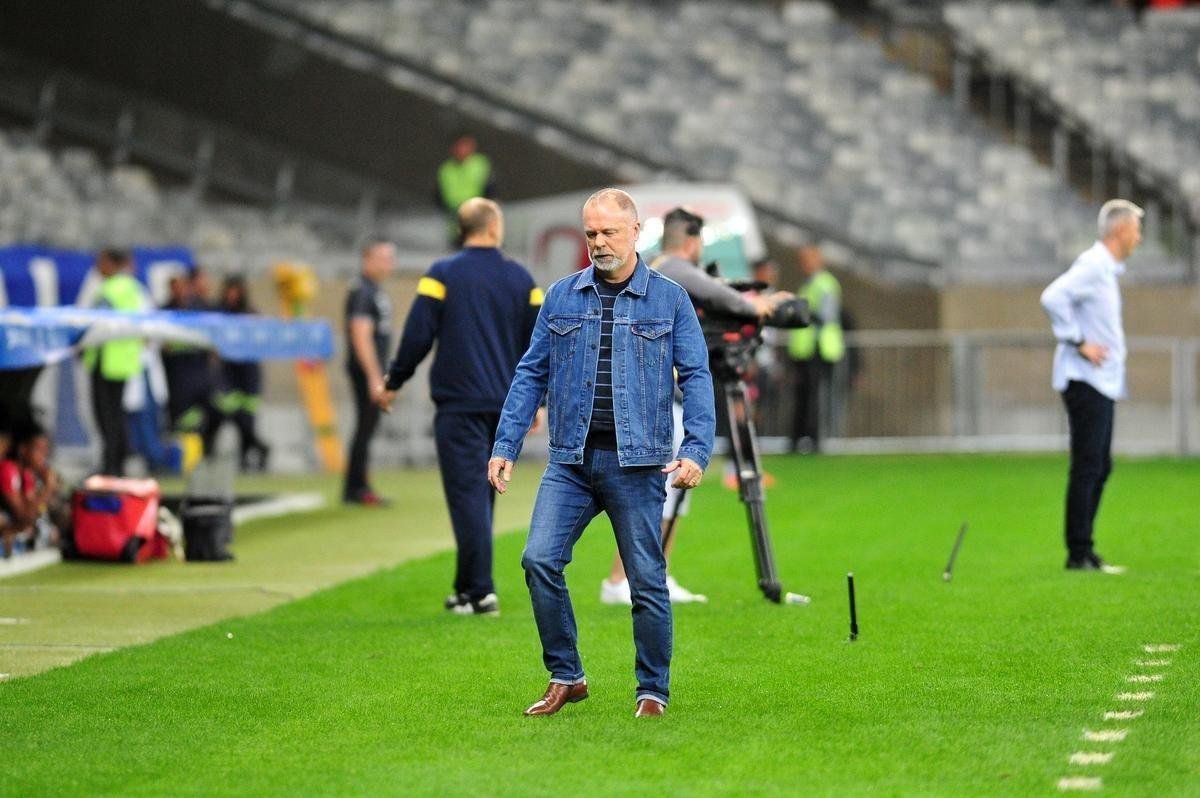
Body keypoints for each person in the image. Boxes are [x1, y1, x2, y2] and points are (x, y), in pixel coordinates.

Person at [489, 188, 715, 718]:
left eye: (609, 232)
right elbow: (531, 373)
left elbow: (697, 377)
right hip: (570, 462)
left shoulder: (670, 299)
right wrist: (505, 443)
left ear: (635, 232)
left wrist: (696, 450)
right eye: (591, 233)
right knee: (538, 560)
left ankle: (652, 691)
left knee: (646, 581)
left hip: (638, 464)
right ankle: (567, 675)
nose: (598, 242)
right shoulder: (561, 296)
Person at [600, 207, 787, 607]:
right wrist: (756, 305)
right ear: (691, 241)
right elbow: (716, 293)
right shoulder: (672, 268)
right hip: (656, 401)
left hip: (653, 398)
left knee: (662, 494)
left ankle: (644, 577)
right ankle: (624, 579)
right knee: (656, 493)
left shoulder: (656, 270)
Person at [376, 198, 542, 615]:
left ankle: (481, 591)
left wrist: (394, 379)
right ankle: (466, 589)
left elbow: (418, 333)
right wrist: (538, 401)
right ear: (494, 228)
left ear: (462, 230)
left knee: (468, 496)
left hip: (460, 404)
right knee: (481, 497)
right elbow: (540, 344)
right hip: (506, 408)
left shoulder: (442, 274)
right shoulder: (522, 278)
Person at [1040, 199, 1144, 574]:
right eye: (1136, 229)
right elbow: (1052, 297)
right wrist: (1078, 340)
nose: (1139, 237)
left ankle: (1084, 550)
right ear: (1120, 230)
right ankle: (1078, 553)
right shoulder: (1093, 265)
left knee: (1099, 465)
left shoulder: (1106, 269)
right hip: (1085, 380)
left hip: (1101, 381)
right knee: (1088, 465)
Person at [342, 238, 396, 506]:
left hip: (372, 370)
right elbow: (360, 334)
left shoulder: (373, 290)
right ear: (368, 259)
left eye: (391, 258)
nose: (389, 264)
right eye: (383, 258)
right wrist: (374, 376)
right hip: (366, 371)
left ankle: (357, 485)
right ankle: (356, 487)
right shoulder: (363, 291)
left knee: (367, 426)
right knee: (365, 426)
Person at [82, 248, 145, 476]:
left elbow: (96, 325)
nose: (97, 266)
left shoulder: (110, 289)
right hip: (124, 360)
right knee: (117, 415)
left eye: (101, 261)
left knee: (105, 415)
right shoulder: (133, 288)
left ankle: (110, 466)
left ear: (111, 263)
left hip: (107, 360)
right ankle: (118, 462)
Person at [787, 244, 844, 453]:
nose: (803, 264)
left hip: (819, 348)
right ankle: (800, 438)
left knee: (815, 397)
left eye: (807, 260)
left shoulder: (824, 284)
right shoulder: (809, 284)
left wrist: (800, 313)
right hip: (805, 348)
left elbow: (826, 316)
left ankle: (814, 439)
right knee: (804, 396)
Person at [211, 275, 270, 472]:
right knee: (232, 416)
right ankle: (259, 449)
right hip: (229, 374)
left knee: (247, 420)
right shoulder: (219, 314)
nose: (232, 295)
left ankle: (248, 456)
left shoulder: (250, 314)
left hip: (249, 374)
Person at [0, 421, 58, 556]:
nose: (43, 457)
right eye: (39, 450)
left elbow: (32, 513)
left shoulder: (27, 474)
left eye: (46, 451)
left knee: (49, 529)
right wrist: (47, 489)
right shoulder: (7, 470)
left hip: (18, 527)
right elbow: (24, 517)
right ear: (23, 449)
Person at [434, 134, 494, 246]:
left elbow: (490, 189)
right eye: (459, 146)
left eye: (466, 146)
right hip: (454, 221)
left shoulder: (481, 164)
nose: (462, 149)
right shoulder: (446, 169)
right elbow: (438, 193)